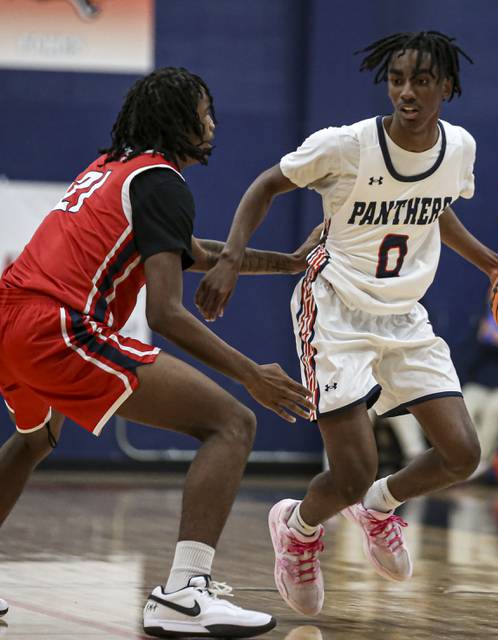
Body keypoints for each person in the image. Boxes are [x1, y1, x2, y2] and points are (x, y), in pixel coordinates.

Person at [195, 32, 498, 617]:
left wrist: (492, 263)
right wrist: (233, 258)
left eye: (421, 80)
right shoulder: (346, 146)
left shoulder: (459, 149)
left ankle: (380, 506)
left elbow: (438, 207)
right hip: (334, 307)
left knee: (463, 453)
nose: (407, 91)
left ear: (447, 87)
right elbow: (266, 184)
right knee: (351, 469)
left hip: (404, 314)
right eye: (397, 79)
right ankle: (299, 529)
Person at [0, 67, 317, 638]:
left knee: (33, 439)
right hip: (58, 327)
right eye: (204, 112)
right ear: (178, 120)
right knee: (232, 423)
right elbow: (168, 314)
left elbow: (198, 253)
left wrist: (287, 263)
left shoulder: (115, 170)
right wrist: (251, 374)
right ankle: (184, 594)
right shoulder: (162, 182)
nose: (212, 122)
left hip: (11, 322)